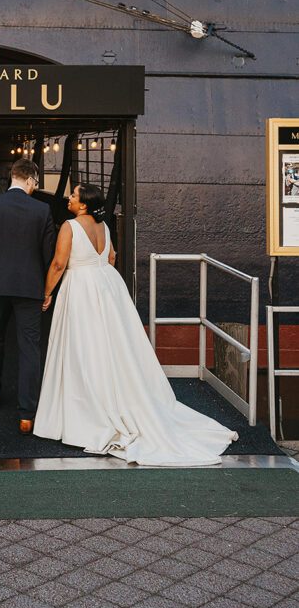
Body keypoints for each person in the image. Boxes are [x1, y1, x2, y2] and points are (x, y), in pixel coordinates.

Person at [34, 183, 238, 466]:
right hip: (107, 287)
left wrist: (46, 294)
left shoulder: (70, 226)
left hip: (80, 289)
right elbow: (112, 258)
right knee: (113, 346)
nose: (69, 197)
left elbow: (58, 264)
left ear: (82, 204)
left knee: (82, 347)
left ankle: (86, 409)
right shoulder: (103, 227)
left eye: (74, 194)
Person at [0, 158, 56, 434]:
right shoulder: (43, 210)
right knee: (29, 346)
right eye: (35, 183)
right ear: (30, 180)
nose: (35, 187)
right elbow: (48, 254)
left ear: (12, 178)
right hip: (30, 287)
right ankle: (27, 414)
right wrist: (46, 288)